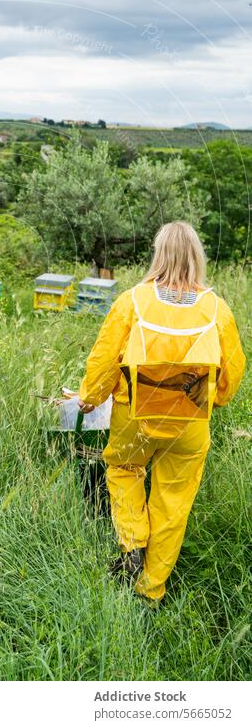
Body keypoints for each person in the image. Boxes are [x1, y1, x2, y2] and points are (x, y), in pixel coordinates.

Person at [78, 222, 246, 603]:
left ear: (159, 254)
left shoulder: (132, 301)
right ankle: (151, 591)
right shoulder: (217, 309)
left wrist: (90, 396)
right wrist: (213, 400)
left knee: (124, 469)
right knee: (172, 504)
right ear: (196, 258)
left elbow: (105, 357)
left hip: (134, 418)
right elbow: (232, 374)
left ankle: (133, 541)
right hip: (190, 424)